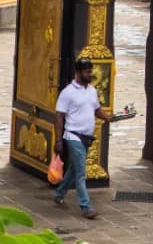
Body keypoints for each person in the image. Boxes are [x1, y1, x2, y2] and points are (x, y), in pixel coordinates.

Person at [53, 57, 114, 220]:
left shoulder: (92, 91)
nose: (90, 74)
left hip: (87, 137)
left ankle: (59, 193)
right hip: (73, 136)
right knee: (81, 172)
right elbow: (59, 117)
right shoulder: (68, 93)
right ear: (79, 72)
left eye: (91, 71)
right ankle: (86, 207)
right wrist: (58, 140)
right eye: (87, 72)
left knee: (74, 170)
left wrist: (108, 117)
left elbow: (97, 109)